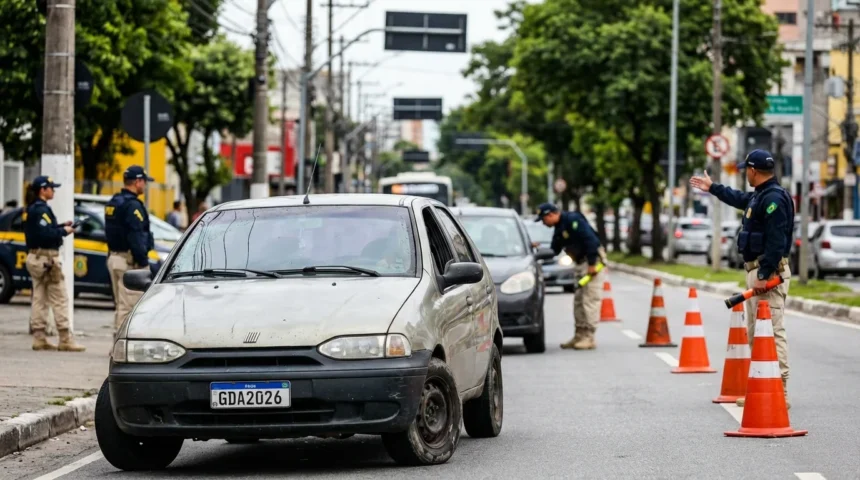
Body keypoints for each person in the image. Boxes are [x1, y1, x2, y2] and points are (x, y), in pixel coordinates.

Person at [689, 149, 794, 409]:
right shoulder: (760, 196)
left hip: (768, 275)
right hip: (757, 272)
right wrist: (713, 188)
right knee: (757, 335)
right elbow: (738, 198)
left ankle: (779, 391)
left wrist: (764, 273)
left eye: (746, 169)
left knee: (771, 333)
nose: (745, 173)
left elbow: (777, 240)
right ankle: (762, 388)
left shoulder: (773, 199)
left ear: (753, 170)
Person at [23, 176, 86, 352]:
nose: (54, 191)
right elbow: (45, 235)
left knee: (40, 298)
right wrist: (64, 231)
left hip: (36, 258)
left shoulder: (32, 208)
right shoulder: (41, 210)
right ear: (43, 190)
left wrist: (60, 226)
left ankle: (39, 337)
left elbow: (42, 231)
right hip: (47, 260)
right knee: (60, 298)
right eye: (51, 188)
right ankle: (65, 339)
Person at [535, 202, 606, 350]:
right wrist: (538, 248)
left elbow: (591, 240)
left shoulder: (573, 220)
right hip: (580, 263)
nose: (543, 223)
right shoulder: (559, 228)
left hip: (591, 261)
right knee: (579, 301)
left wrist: (592, 263)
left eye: (544, 219)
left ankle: (589, 337)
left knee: (589, 299)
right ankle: (579, 335)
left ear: (551, 215)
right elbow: (554, 250)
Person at [105, 165, 154, 335]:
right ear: (137, 181)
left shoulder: (114, 202)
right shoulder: (132, 206)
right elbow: (136, 237)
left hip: (114, 258)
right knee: (129, 307)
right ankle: (122, 344)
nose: (145, 186)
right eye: (144, 182)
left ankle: (118, 341)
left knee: (121, 304)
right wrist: (143, 263)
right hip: (129, 262)